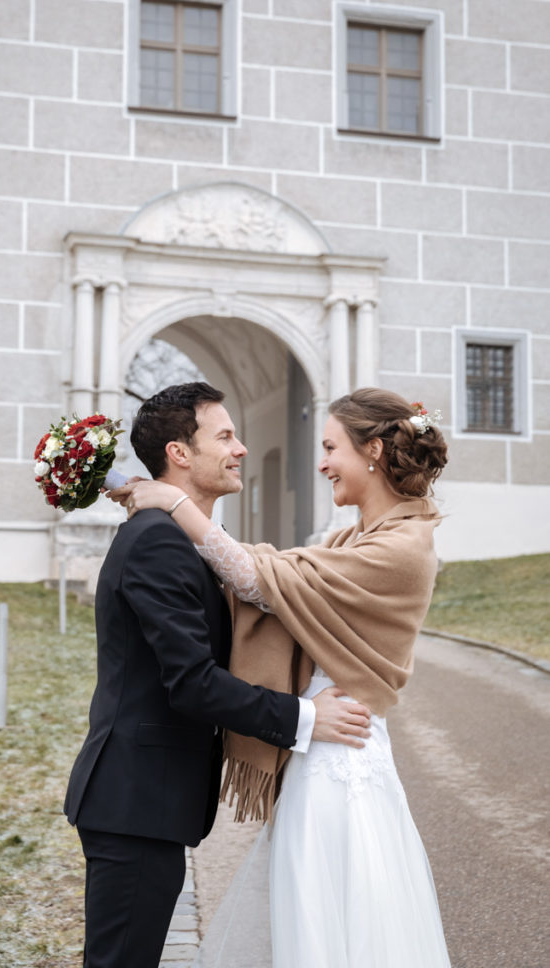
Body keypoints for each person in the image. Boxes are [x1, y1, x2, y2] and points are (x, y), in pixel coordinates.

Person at [116, 387, 452, 968]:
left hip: (340, 761)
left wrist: (174, 505)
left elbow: (255, 579)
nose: (321, 463)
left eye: (329, 448)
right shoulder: (353, 540)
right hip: (318, 754)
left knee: (338, 922)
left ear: (372, 451)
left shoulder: (402, 547)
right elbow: (277, 575)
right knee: (311, 920)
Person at [63, 382, 372, 968]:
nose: (241, 449)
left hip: (145, 805)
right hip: (134, 804)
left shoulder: (179, 538)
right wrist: (308, 718)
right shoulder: (157, 542)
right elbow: (193, 683)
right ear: (180, 453)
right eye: (225, 436)